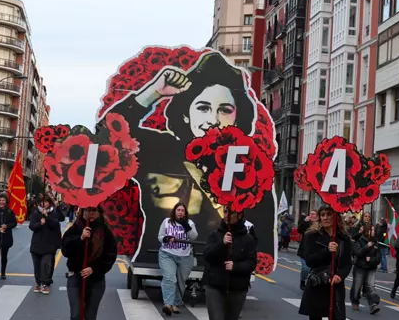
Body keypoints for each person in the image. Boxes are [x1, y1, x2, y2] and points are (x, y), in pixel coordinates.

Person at [105, 54, 276, 263]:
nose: (212, 120)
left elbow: (262, 245)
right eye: (203, 108)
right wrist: (154, 92)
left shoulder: (253, 171)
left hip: (219, 269)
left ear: (238, 118)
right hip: (159, 259)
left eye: (225, 110)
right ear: (186, 113)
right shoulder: (157, 150)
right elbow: (108, 134)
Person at [297, 204, 353, 320]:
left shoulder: (344, 238)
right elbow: (309, 260)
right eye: (323, 214)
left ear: (336, 216)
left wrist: (340, 276)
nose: (326, 217)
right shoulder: (312, 236)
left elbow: (347, 263)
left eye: (329, 214)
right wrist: (326, 250)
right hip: (317, 286)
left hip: (334, 287)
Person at [201, 209, 257, 320]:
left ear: (239, 216)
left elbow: (252, 262)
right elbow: (208, 256)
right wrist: (222, 244)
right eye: (225, 212)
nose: (227, 215)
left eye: (231, 213)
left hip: (237, 288)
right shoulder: (215, 235)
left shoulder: (247, 239)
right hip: (215, 286)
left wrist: (236, 266)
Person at [62, 206, 118, 320]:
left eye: (94, 211)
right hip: (75, 278)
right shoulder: (76, 227)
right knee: (76, 317)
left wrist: (94, 268)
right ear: (82, 212)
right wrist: (80, 239)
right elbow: (66, 250)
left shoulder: (105, 232)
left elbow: (110, 256)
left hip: (95, 281)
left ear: (100, 213)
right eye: (87, 211)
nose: (90, 214)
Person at [157, 202, 197, 315]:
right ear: (174, 211)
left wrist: (185, 225)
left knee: (180, 281)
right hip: (167, 254)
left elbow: (194, 236)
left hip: (185, 256)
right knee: (169, 278)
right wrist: (166, 238)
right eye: (178, 210)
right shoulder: (166, 222)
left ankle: (176, 303)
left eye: (182, 210)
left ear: (185, 213)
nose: (180, 212)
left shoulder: (189, 223)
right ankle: (168, 304)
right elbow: (160, 236)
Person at [28, 196, 64, 295]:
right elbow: (32, 226)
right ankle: (38, 283)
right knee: (37, 265)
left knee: (45, 264)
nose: (44, 204)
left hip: (49, 244)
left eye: (46, 202)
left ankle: (45, 283)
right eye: (42, 202)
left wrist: (47, 217)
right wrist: (40, 223)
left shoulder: (53, 213)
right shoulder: (36, 213)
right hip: (37, 243)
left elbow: (56, 224)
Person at [350, 223, 382, 314]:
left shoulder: (376, 242)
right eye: (371, 230)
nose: (373, 232)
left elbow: (378, 258)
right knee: (357, 286)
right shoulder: (360, 241)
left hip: (371, 267)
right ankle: (355, 300)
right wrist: (367, 247)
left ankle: (373, 304)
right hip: (360, 267)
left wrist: (371, 259)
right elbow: (358, 253)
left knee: (370, 286)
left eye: (374, 230)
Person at [0, 194, 18, 281]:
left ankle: (3, 272)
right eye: (0, 200)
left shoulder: (10, 211)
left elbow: (14, 223)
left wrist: (7, 226)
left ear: (6, 201)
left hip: (6, 236)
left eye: (3, 200)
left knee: (4, 255)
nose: (1, 202)